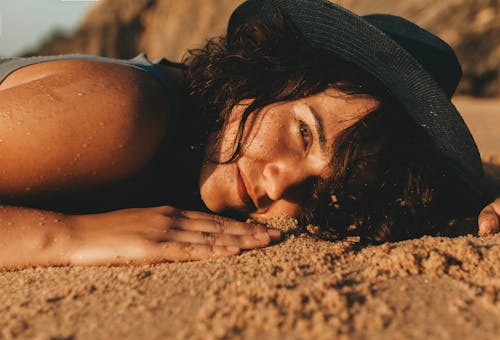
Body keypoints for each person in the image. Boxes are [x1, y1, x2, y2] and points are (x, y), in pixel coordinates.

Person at [0, 0, 498, 268]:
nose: (281, 187)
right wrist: (65, 238)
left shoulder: (205, 148)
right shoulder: (124, 111)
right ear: (267, 75)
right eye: (303, 132)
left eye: (323, 189)